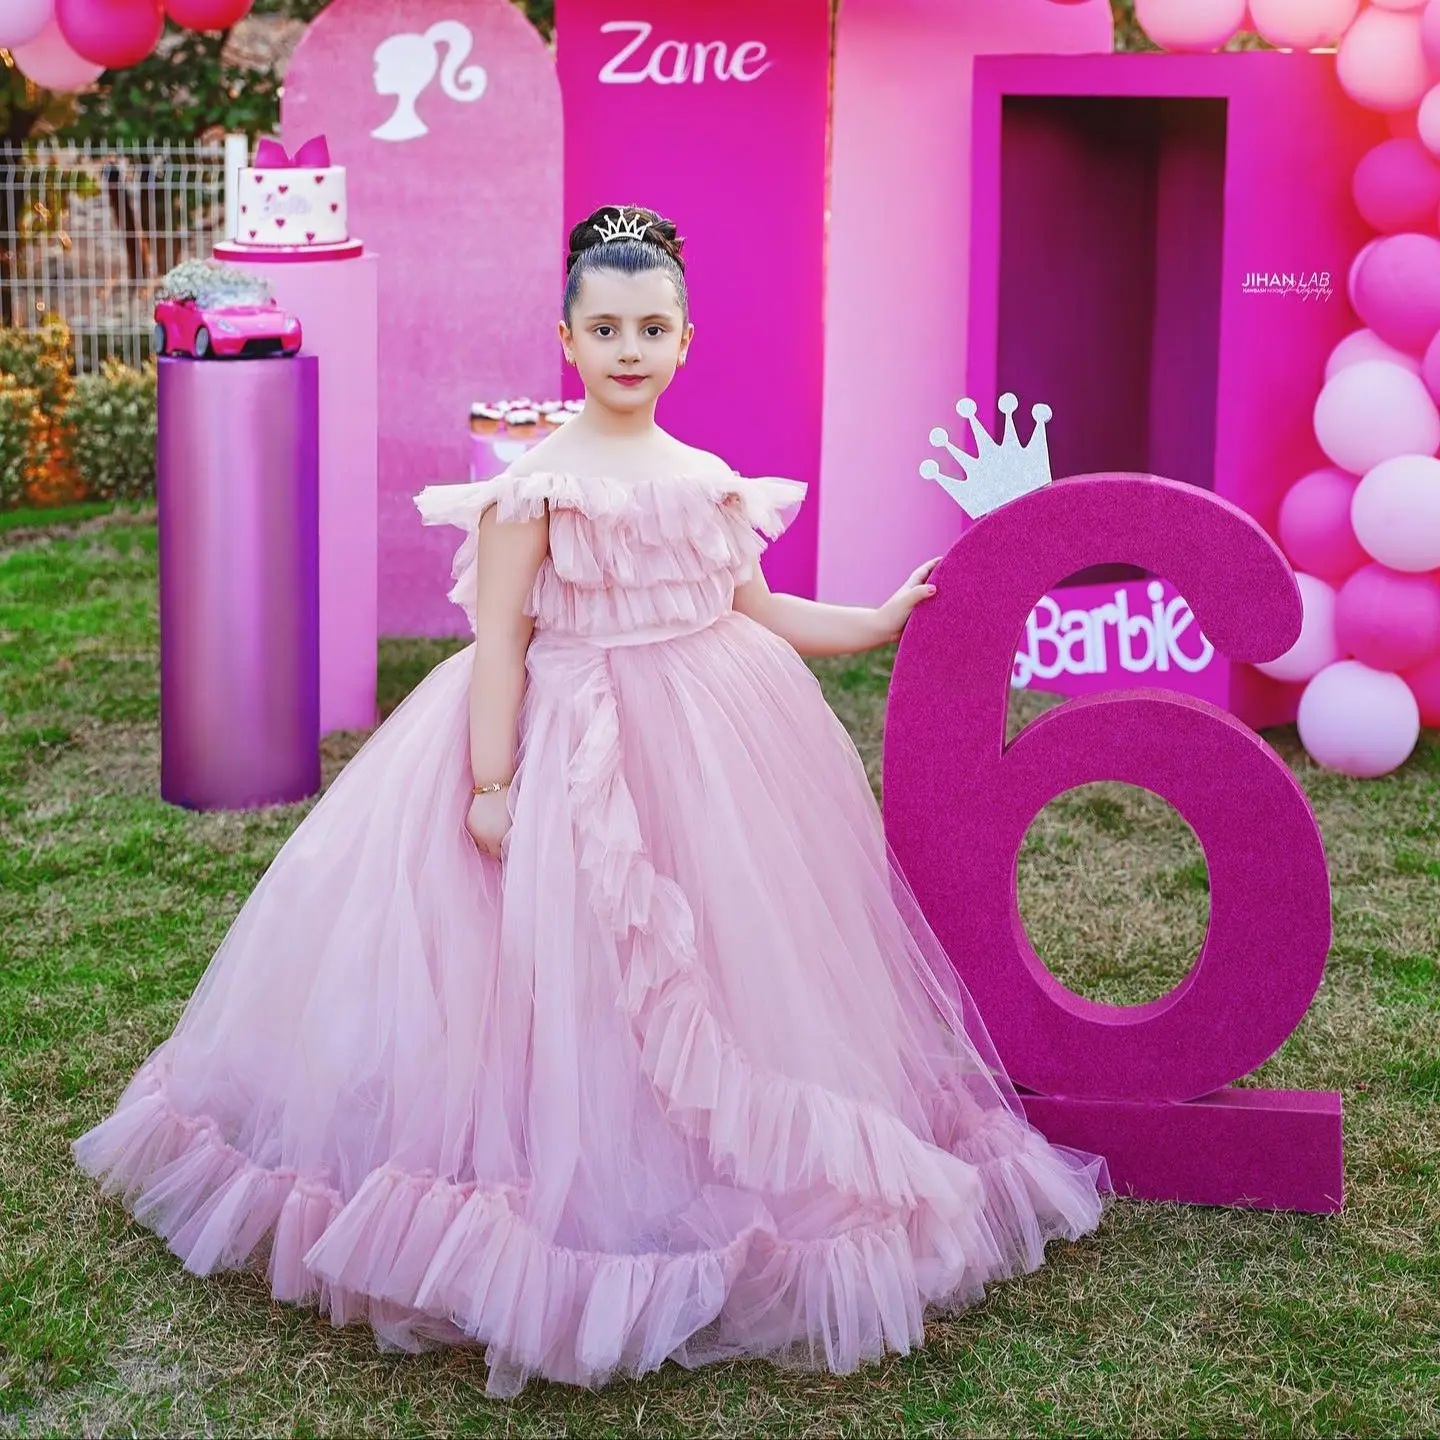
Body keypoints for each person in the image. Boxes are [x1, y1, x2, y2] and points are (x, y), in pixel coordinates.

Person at [73, 204, 1109, 1399]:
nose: (628, 347)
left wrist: (874, 618)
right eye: (604, 326)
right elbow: (502, 643)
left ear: (685, 343)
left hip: (708, 735)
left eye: (651, 327)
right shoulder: (538, 488)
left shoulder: (707, 480)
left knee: (722, 947)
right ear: (567, 338)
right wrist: (492, 781)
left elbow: (755, 610)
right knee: (552, 972)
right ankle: (550, 1166)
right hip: (566, 739)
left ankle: (710, 1143)